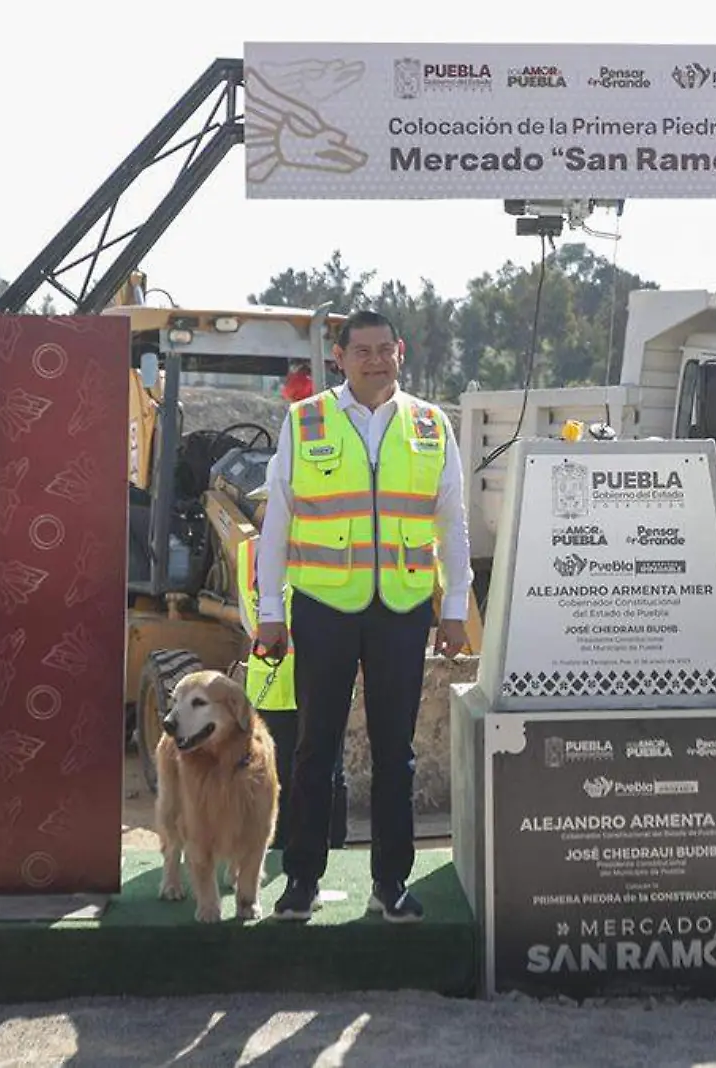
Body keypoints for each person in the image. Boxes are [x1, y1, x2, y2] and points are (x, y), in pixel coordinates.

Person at [253, 309, 472, 924]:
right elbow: (279, 524)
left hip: (401, 609)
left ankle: (391, 883)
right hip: (323, 608)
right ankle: (301, 879)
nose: (376, 360)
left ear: (400, 352)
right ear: (341, 358)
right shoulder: (306, 421)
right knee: (314, 748)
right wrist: (271, 612)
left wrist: (453, 607)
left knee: (394, 752)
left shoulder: (431, 425)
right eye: (362, 351)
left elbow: (451, 522)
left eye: (385, 349)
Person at [235, 483, 347, 851]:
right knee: (318, 769)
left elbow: (248, 619)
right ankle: (326, 845)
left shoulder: (248, 551)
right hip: (313, 678)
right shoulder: (315, 551)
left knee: (283, 771)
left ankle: (286, 846)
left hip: (273, 680)